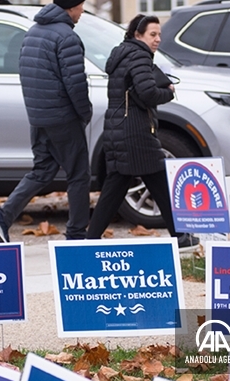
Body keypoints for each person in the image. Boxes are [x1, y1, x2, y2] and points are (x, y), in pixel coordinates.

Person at [0, 0, 93, 242]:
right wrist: (84, 113)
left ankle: (2, 216)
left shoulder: (33, 32)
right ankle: (77, 235)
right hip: (62, 116)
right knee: (79, 174)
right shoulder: (67, 37)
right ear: (72, 7)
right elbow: (75, 83)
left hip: (39, 116)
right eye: (81, 7)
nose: (82, 12)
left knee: (42, 171)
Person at [85, 15, 198, 249]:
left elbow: (134, 91)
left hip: (119, 129)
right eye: (152, 35)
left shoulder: (123, 54)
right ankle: (182, 238)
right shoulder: (139, 55)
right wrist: (169, 92)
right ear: (138, 35)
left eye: (159, 34)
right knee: (158, 183)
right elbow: (146, 93)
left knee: (116, 190)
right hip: (136, 132)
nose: (157, 39)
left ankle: (90, 240)